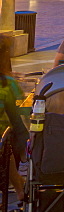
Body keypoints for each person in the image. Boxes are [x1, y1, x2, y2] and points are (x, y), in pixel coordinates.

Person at [0, 36, 27, 201]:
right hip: (3, 141)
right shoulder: (7, 84)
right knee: (12, 136)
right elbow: (20, 112)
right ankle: (19, 185)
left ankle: (18, 185)